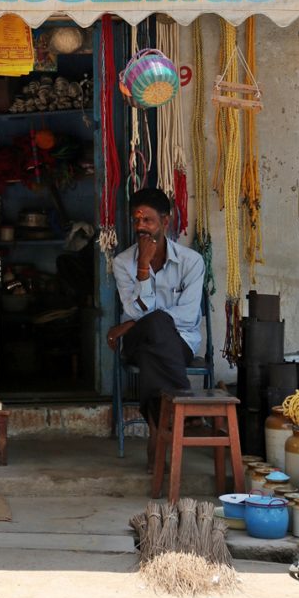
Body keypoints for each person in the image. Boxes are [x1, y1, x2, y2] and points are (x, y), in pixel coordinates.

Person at [108, 188, 205, 468]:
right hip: (138, 343)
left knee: (156, 343)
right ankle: (182, 404)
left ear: (166, 220)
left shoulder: (191, 261)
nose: (141, 227)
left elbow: (188, 316)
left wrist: (129, 324)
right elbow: (136, 310)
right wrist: (142, 268)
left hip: (180, 342)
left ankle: (156, 432)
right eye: (136, 221)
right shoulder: (124, 263)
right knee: (155, 325)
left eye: (148, 220)